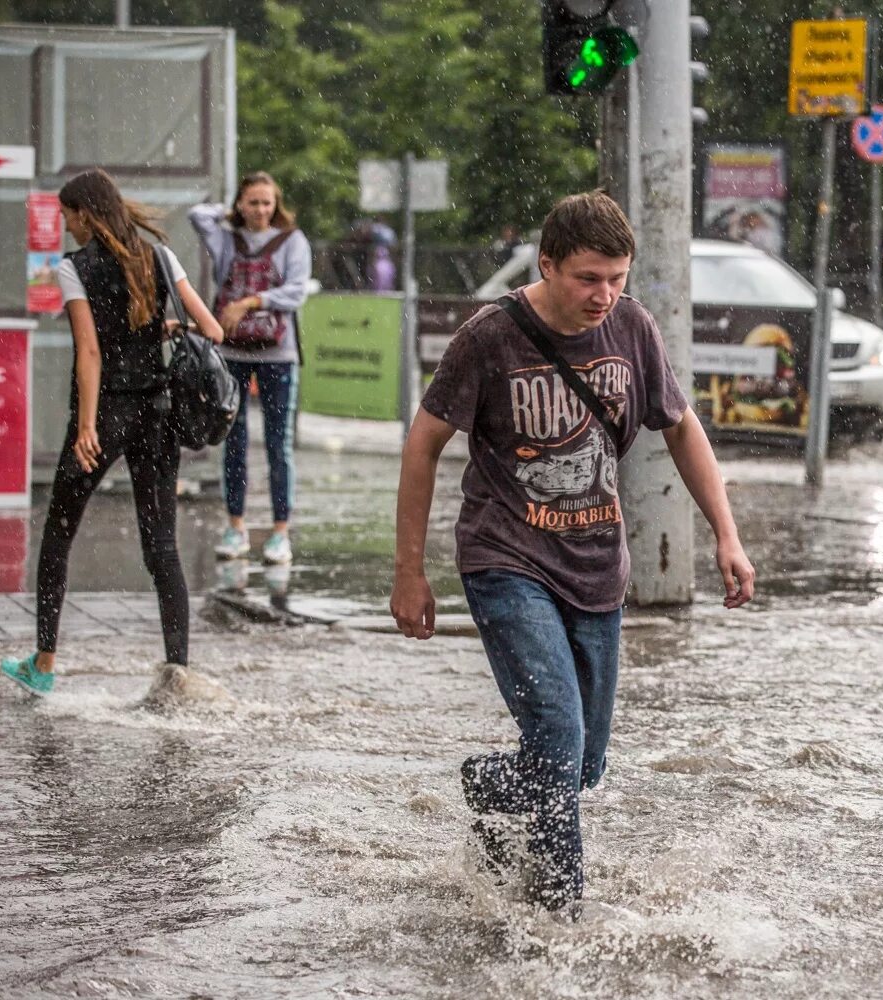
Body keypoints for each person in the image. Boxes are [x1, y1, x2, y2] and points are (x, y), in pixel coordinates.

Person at [389, 191, 756, 911]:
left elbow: (681, 428)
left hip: (595, 565)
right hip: (505, 558)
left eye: (617, 278)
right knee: (557, 736)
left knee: (582, 765)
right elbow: (423, 443)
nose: (604, 295)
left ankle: (488, 785)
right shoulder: (490, 336)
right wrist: (410, 572)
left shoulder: (631, 328)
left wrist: (726, 533)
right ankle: (560, 916)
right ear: (547, 263)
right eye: (589, 278)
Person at [0, 168, 223, 696]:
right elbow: (213, 330)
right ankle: (177, 674)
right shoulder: (160, 258)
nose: (67, 227)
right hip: (159, 415)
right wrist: (171, 327)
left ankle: (45, 666)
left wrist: (86, 426)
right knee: (161, 547)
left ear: (86, 214)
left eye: (69, 216)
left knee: (58, 533)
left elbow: (91, 352)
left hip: (107, 416)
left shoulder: (74, 269)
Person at [189, 172, 312, 566]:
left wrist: (249, 302)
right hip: (232, 353)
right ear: (241, 204)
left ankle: (280, 532)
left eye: (267, 203)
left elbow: (295, 291)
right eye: (253, 202)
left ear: (277, 205)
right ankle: (236, 526)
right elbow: (197, 216)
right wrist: (230, 212)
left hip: (279, 354)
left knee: (279, 445)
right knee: (234, 442)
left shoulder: (293, 241)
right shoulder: (227, 238)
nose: (261, 210)